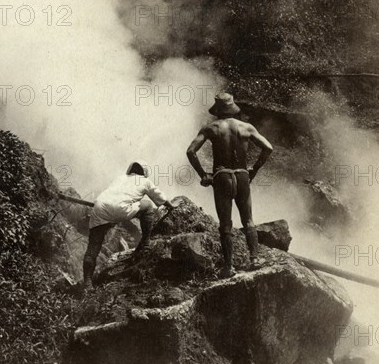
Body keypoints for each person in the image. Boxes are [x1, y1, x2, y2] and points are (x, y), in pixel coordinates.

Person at [186, 93, 273, 277]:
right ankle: (255, 259)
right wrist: (255, 169)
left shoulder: (212, 128)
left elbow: (191, 151)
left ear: (217, 110)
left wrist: (203, 175)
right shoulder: (246, 127)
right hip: (242, 175)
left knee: (225, 224)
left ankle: (228, 266)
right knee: (248, 219)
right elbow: (268, 148)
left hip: (222, 176)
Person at [82, 161, 175, 289]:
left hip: (99, 207)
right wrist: (172, 206)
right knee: (148, 206)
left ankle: (87, 283)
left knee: (93, 249)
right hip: (121, 209)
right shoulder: (144, 181)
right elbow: (161, 198)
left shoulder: (119, 178)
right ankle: (145, 242)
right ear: (144, 173)